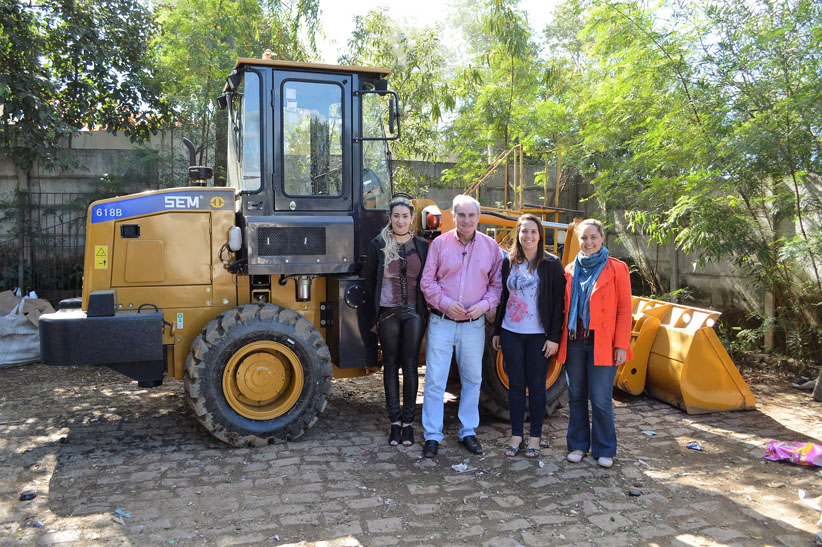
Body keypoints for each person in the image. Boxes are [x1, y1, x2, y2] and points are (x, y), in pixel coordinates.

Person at [419, 194, 503, 458]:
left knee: (473, 379)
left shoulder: (491, 248)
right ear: (452, 217)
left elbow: (497, 286)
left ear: (478, 218)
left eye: (471, 215)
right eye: (461, 215)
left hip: (473, 325)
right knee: (434, 380)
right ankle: (432, 435)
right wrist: (444, 303)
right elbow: (427, 282)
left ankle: (468, 430)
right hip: (442, 322)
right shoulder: (440, 244)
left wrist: (485, 306)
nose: (467, 221)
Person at [556, 218, 633, 468]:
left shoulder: (617, 268)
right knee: (576, 396)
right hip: (575, 341)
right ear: (578, 241)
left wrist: (621, 344)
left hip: (603, 343)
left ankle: (605, 448)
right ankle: (578, 444)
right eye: (584, 238)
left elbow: (624, 309)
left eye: (593, 237)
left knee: (600, 398)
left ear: (602, 239)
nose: (588, 242)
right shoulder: (568, 270)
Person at [491, 214, 565, 458]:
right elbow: (503, 299)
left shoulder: (552, 264)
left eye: (533, 232)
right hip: (512, 333)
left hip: (538, 336)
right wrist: (498, 331)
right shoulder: (509, 262)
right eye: (524, 232)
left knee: (537, 387)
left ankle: (534, 438)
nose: (528, 236)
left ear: (540, 235)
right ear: (518, 235)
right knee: (515, 386)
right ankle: (515, 436)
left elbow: (558, 304)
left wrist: (554, 337)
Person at [363, 197, 429, 447]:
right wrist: (377, 311)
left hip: (414, 312)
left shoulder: (422, 245)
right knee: (390, 366)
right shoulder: (378, 244)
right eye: (396, 216)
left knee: (411, 366)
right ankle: (394, 422)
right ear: (390, 218)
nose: (400, 220)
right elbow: (369, 280)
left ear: (412, 218)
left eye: (405, 216)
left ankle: (409, 423)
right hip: (388, 312)